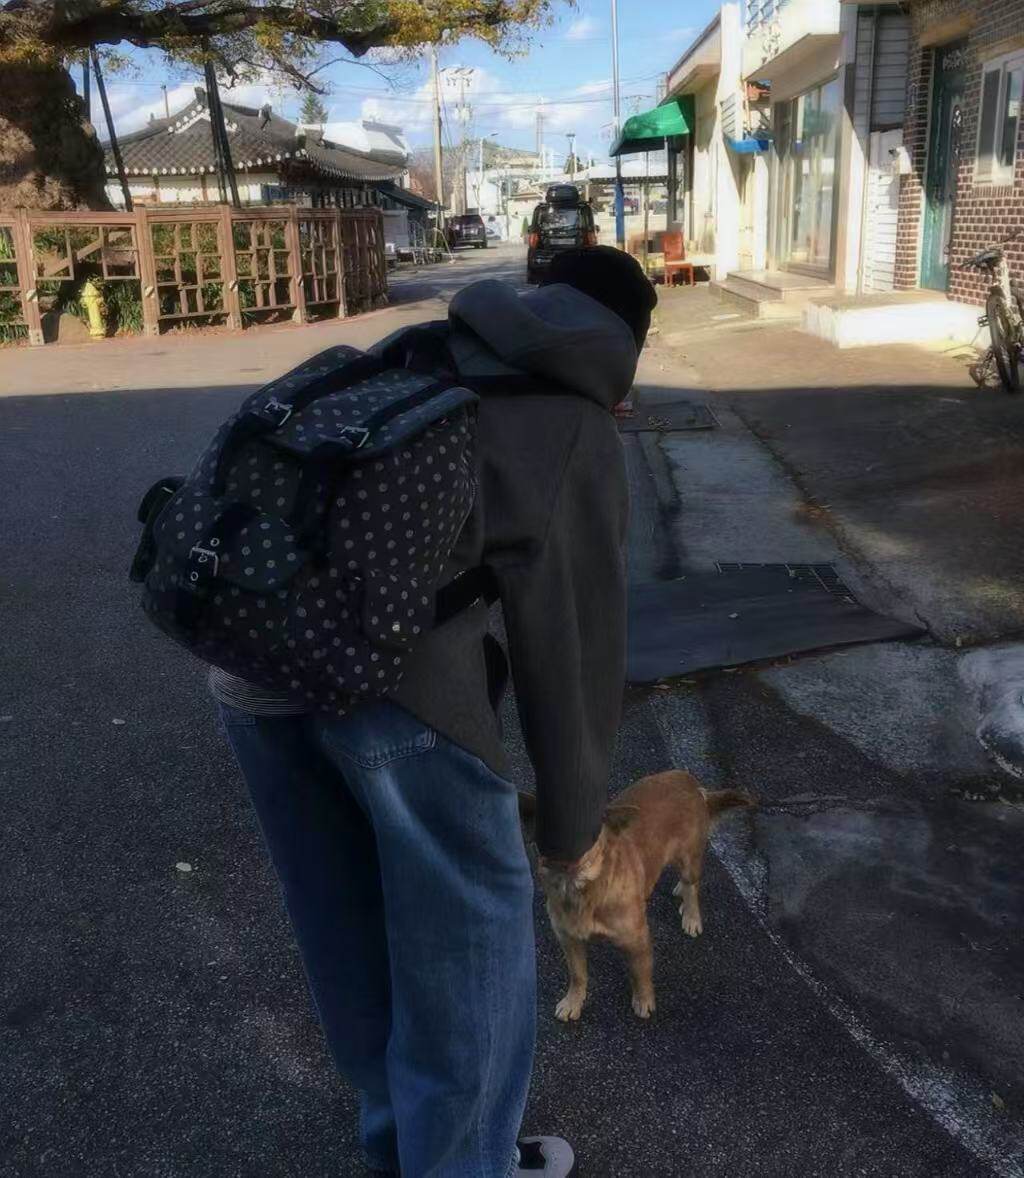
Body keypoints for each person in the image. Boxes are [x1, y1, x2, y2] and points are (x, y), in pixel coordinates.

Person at [212, 246, 657, 1177]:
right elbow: (571, 644)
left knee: (348, 933)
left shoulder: (423, 349)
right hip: (393, 693)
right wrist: (572, 829)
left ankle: (401, 1151)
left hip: (250, 661)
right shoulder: (574, 422)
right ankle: (461, 1165)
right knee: (469, 956)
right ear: (624, 343)